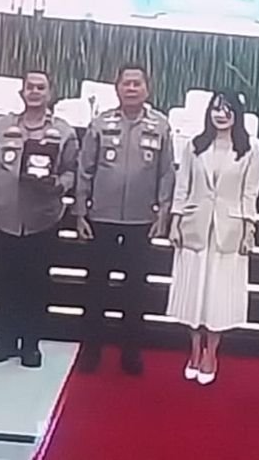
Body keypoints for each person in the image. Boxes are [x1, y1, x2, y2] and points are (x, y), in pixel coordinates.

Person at [75, 64, 175, 375]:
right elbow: (84, 169)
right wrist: (80, 211)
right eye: (126, 83)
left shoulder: (160, 126)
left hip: (140, 220)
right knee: (96, 287)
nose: (131, 88)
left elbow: (166, 172)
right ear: (116, 88)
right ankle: (91, 349)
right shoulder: (100, 123)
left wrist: (164, 211)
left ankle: (131, 351)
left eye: (137, 83)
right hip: (101, 217)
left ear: (147, 88)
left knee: (135, 289)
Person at [0, 70, 79, 368]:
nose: (34, 92)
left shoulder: (64, 131)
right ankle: (5, 340)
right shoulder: (2, 126)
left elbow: (72, 170)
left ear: (50, 93)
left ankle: (31, 344)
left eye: (40, 87)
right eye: (30, 87)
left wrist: (59, 185)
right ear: (21, 93)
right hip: (3, 217)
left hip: (41, 220)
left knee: (36, 286)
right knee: (2, 283)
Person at [166, 92, 259, 385]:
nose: (221, 115)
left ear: (237, 114)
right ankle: (194, 349)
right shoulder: (195, 145)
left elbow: (250, 192)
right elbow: (182, 186)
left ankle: (212, 352)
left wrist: (249, 229)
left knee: (218, 295)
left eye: (227, 109)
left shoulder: (250, 148)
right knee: (192, 292)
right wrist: (175, 221)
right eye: (216, 109)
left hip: (228, 230)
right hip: (195, 227)